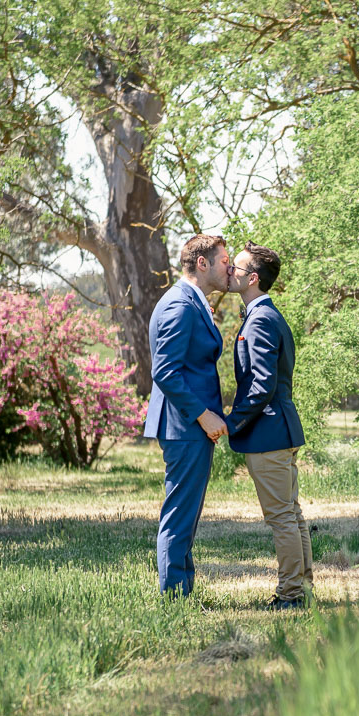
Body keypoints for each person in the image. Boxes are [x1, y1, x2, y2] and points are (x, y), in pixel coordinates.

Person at [143, 234, 231, 597]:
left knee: (186, 515)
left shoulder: (192, 303)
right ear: (203, 263)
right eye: (225, 261)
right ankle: (176, 597)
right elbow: (165, 372)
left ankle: (183, 591)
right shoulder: (180, 304)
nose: (230, 268)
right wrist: (204, 416)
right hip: (184, 425)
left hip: (189, 426)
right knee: (179, 516)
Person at [225, 240, 310, 610]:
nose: (230, 272)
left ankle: (291, 594)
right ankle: (301, 587)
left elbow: (261, 385)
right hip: (282, 428)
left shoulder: (259, 319)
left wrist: (232, 421)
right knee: (291, 513)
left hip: (269, 432)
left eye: (237, 269)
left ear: (252, 278)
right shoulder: (265, 315)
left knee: (282, 517)